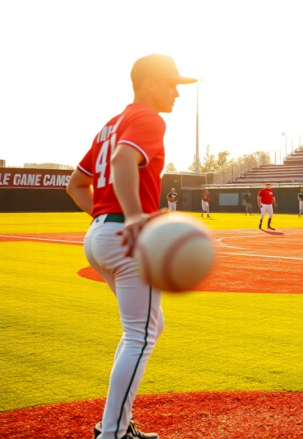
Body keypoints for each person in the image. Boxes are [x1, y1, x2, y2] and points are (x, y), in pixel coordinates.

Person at [66, 53, 197, 439]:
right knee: (141, 335)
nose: (177, 92)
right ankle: (113, 434)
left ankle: (117, 425)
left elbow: (75, 184)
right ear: (150, 83)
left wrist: (106, 218)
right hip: (125, 238)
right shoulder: (147, 118)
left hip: (101, 236)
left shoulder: (111, 124)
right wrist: (136, 217)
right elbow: (124, 159)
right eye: (172, 83)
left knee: (145, 327)